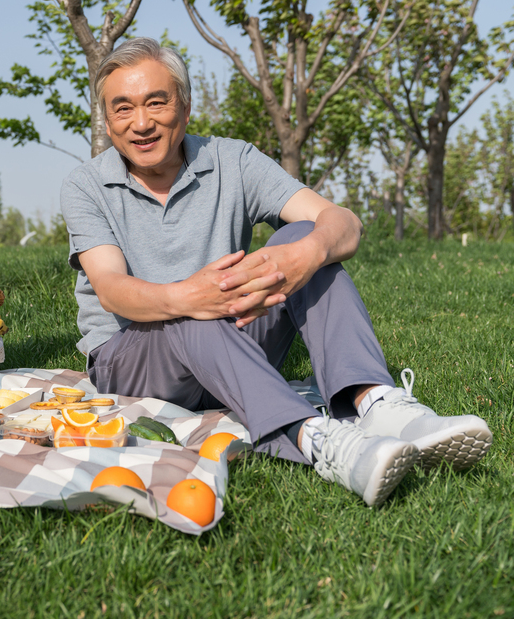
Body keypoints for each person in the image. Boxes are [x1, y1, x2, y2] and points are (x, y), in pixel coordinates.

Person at [60, 37, 492, 507]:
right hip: (134, 359)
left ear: (183, 108)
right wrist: (190, 297)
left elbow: (344, 223)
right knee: (189, 316)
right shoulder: (86, 185)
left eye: (156, 103)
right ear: (107, 119)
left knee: (305, 237)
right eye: (122, 109)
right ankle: (318, 441)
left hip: (230, 334)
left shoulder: (232, 160)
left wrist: (306, 254)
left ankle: (375, 404)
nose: (140, 123)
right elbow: (111, 290)